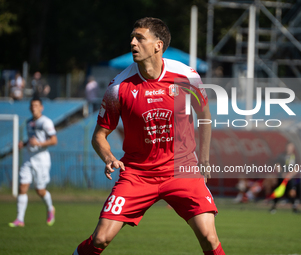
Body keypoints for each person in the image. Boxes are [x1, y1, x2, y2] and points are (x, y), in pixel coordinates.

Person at [72, 17, 225, 255]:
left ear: (158, 45)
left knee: (209, 237)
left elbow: (204, 115)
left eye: (140, 38)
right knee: (100, 238)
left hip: (182, 168)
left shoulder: (186, 75)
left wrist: (203, 160)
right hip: (137, 174)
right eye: (132, 37)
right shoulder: (118, 87)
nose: (132, 42)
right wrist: (109, 157)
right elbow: (99, 135)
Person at [9, 96, 58, 227]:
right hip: (28, 158)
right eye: (32, 106)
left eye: (36, 105)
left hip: (41, 159)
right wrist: (24, 144)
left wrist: (39, 143)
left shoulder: (46, 122)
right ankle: (20, 219)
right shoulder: (29, 122)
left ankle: (50, 208)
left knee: (40, 190)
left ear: (41, 107)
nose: (34, 108)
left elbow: (54, 140)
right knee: (22, 187)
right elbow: (32, 139)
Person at [269, 142, 301, 214]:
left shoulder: (294, 157)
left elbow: (297, 167)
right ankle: (273, 207)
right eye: (288, 146)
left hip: (290, 178)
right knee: (278, 193)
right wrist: (282, 173)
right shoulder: (281, 156)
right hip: (282, 177)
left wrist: (291, 174)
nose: (289, 148)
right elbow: (277, 165)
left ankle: (294, 208)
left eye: (291, 147)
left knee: (292, 192)